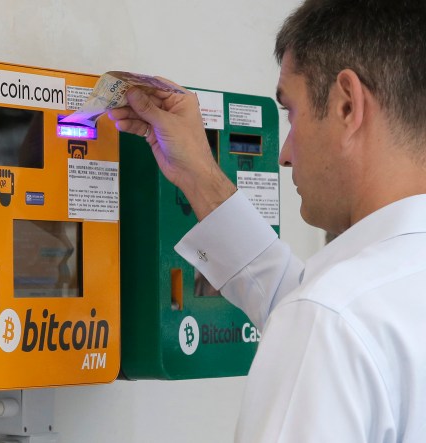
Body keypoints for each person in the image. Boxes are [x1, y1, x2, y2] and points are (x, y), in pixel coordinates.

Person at [109, 0, 426, 441]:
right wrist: (199, 175)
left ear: (347, 106)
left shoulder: (328, 320)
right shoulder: (359, 303)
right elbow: (307, 301)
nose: (284, 153)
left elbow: (322, 312)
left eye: (290, 113)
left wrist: (309, 313)